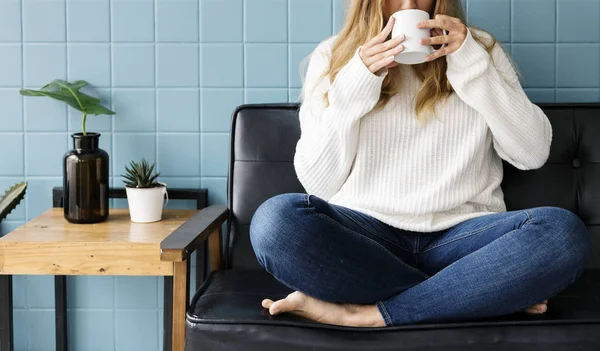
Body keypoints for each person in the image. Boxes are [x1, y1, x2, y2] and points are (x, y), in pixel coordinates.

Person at [249, 0, 591, 327]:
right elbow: (317, 183)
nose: (407, 5)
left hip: (463, 238)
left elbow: (531, 153)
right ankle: (477, 292)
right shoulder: (333, 56)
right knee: (273, 223)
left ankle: (367, 315)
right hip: (366, 239)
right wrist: (357, 82)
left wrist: (471, 64)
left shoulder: (479, 49)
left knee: (562, 234)